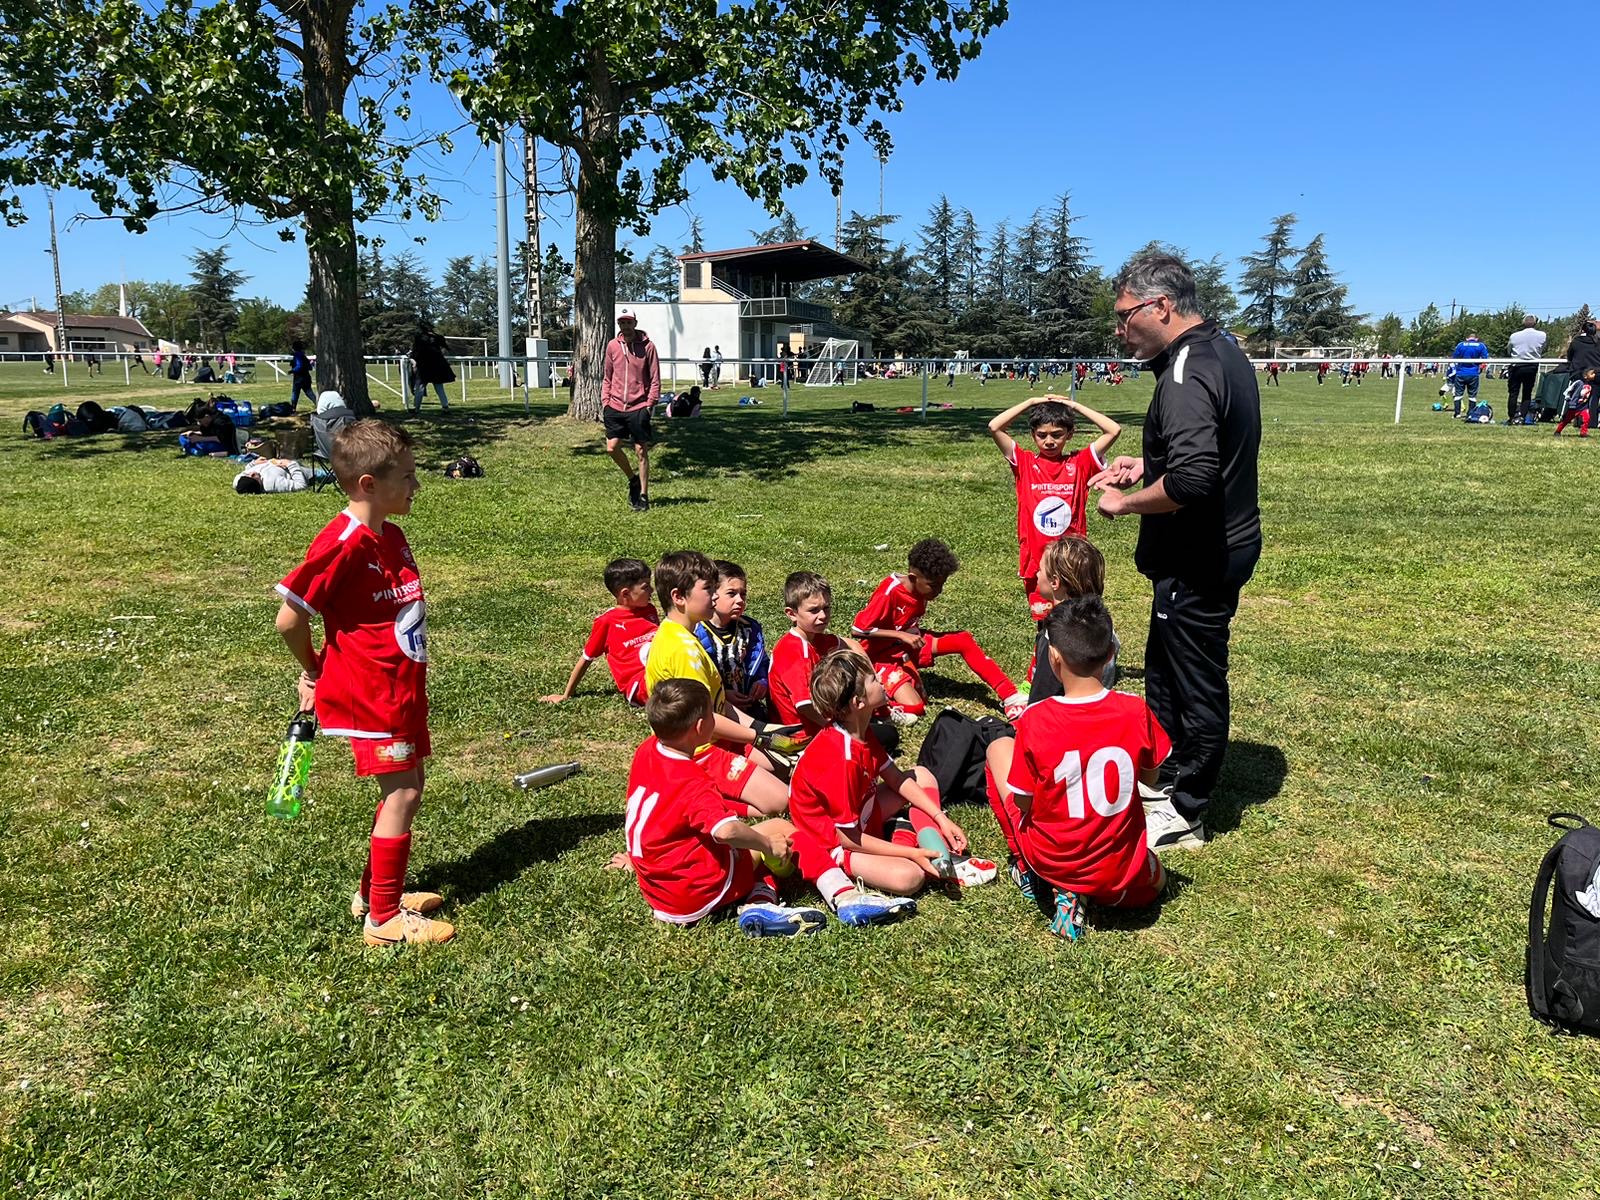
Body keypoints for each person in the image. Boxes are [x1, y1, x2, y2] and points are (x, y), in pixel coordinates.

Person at [1090, 251, 1262, 853]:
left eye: (1124, 315)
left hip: (1201, 554)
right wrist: (1148, 463)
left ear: (1161, 306)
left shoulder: (1188, 370)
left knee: (1194, 678)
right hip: (1213, 546)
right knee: (1164, 664)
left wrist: (1125, 503)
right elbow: (1202, 450)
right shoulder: (1221, 348)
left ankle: (1189, 808)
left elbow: (1193, 480)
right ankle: (1166, 775)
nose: (1120, 329)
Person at [273, 420, 453, 946]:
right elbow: (290, 619)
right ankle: (383, 919)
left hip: (401, 688)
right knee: (403, 792)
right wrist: (314, 669)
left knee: (410, 787)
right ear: (369, 484)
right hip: (370, 695)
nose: (416, 485)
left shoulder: (390, 535)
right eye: (407, 476)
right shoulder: (343, 543)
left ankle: (375, 894)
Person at [1005, 596, 1172, 941]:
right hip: (1118, 866)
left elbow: (1023, 801)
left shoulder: (1036, 718)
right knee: (1157, 881)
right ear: (1111, 652)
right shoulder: (1134, 710)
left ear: (1053, 656)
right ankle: (1093, 890)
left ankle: (1034, 873)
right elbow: (1152, 776)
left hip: (1053, 859)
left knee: (998, 757)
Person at [787, 650, 988, 924]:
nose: (882, 679)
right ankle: (911, 842)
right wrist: (912, 853)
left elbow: (895, 777)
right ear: (858, 702)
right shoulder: (842, 759)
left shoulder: (859, 728)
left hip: (862, 812)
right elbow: (847, 838)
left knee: (921, 775)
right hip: (836, 843)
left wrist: (941, 818)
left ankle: (931, 844)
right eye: (873, 679)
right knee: (909, 877)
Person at [623, 679, 826, 937]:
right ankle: (838, 892)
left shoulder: (647, 750)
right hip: (697, 892)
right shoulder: (692, 779)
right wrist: (767, 844)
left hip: (660, 891)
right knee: (779, 831)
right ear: (700, 727)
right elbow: (726, 831)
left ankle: (760, 898)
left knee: (760, 848)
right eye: (712, 714)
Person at [642, 550, 791, 816]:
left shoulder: (682, 635)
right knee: (780, 801)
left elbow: (719, 704)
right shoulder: (682, 650)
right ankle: (699, 797)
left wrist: (766, 729)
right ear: (678, 597)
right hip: (698, 750)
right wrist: (760, 738)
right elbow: (703, 718)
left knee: (785, 767)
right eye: (708, 589)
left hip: (716, 736)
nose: (714, 596)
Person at [851, 538, 1027, 724]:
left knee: (962, 640)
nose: (940, 590)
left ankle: (1010, 697)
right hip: (881, 657)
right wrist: (901, 635)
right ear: (913, 578)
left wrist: (907, 637)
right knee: (916, 707)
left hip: (907, 645)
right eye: (934, 585)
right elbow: (858, 629)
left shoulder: (919, 590)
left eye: (942, 584)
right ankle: (881, 710)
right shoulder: (890, 592)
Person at [988, 394, 1121, 620]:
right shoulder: (1025, 463)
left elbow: (1113, 430)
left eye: (1057, 435)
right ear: (1033, 435)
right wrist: (1031, 402)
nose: (1049, 441)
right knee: (1045, 623)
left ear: (1070, 434)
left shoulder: (1080, 463)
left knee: (1075, 621)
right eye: (1042, 435)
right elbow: (995, 427)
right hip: (1037, 564)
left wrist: (1073, 405)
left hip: (1072, 562)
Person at [543, 557, 659, 705]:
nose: (652, 590)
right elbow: (586, 658)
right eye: (645, 587)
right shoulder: (607, 621)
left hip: (660, 669)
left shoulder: (649, 610)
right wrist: (566, 695)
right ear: (625, 594)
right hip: (639, 685)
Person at [1026, 536, 1119, 703]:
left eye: (1040, 569)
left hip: (1059, 715)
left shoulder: (1054, 635)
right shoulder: (1104, 625)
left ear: (1055, 582)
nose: (1036, 573)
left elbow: (1042, 695)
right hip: (1098, 710)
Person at [768, 571, 855, 740]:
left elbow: (850, 646)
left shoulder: (817, 638)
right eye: (814, 610)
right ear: (791, 614)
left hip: (822, 721)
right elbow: (805, 705)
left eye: (826, 608)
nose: (823, 616)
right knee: (886, 735)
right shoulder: (792, 650)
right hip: (802, 735)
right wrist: (837, 728)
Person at [601, 309, 660, 512]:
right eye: (622, 323)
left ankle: (643, 495)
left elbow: (655, 378)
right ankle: (632, 479)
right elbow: (607, 376)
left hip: (639, 406)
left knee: (641, 451)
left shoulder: (648, 347)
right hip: (615, 405)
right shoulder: (612, 346)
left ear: (635, 323)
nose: (625, 326)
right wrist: (606, 401)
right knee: (611, 448)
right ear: (619, 325)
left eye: (628, 322)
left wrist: (650, 404)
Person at [695, 560, 769, 718]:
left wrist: (761, 681)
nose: (740, 600)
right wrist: (723, 694)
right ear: (712, 594)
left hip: (749, 708)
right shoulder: (696, 633)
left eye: (743, 594)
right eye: (731, 593)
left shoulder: (750, 629)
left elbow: (761, 661)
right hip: (713, 713)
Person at [1506, 316, 1547, 425]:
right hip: (1531, 366)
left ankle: (1511, 417)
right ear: (1535, 323)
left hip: (1516, 366)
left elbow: (1509, 350)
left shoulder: (1514, 336)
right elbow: (1542, 348)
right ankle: (1522, 417)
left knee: (1513, 393)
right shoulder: (1542, 335)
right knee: (1527, 393)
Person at [408, 323, 455, 412]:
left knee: (420, 387)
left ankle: (416, 408)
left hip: (424, 366)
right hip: (437, 365)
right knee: (439, 387)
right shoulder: (437, 337)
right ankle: (445, 406)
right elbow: (445, 346)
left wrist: (413, 359)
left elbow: (416, 350)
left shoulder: (419, 338)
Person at [1564, 318, 1600, 431]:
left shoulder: (1576, 342)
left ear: (1583, 330)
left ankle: (1577, 419)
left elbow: (1570, 356)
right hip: (1595, 373)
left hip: (1578, 373)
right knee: (1593, 398)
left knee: (1577, 397)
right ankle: (1591, 421)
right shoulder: (1598, 342)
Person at [1448, 332, 1490, 417]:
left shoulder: (1461, 345)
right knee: (1472, 396)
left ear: (1467, 339)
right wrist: (1479, 366)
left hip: (1461, 373)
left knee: (1458, 394)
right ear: (1476, 339)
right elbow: (1485, 358)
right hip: (1473, 373)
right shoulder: (1481, 345)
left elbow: (1455, 357)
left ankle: (1457, 413)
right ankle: (1471, 414)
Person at [1554, 368, 1596, 437]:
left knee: (1586, 418)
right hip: (1575, 407)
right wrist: (1571, 403)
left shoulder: (1591, 384)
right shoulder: (1579, 383)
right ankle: (1558, 431)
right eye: (1592, 374)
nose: (1594, 375)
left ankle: (1583, 433)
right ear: (1585, 376)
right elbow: (1572, 393)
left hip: (1583, 407)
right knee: (1566, 420)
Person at [288, 339, 315, 410]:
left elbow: (299, 366)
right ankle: (318, 404)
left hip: (299, 378)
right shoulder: (303, 356)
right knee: (309, 392)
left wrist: (292, 370)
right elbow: (310, 367)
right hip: (307, 377)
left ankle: (293, 408)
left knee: (295, 393)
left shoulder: (297, 355)